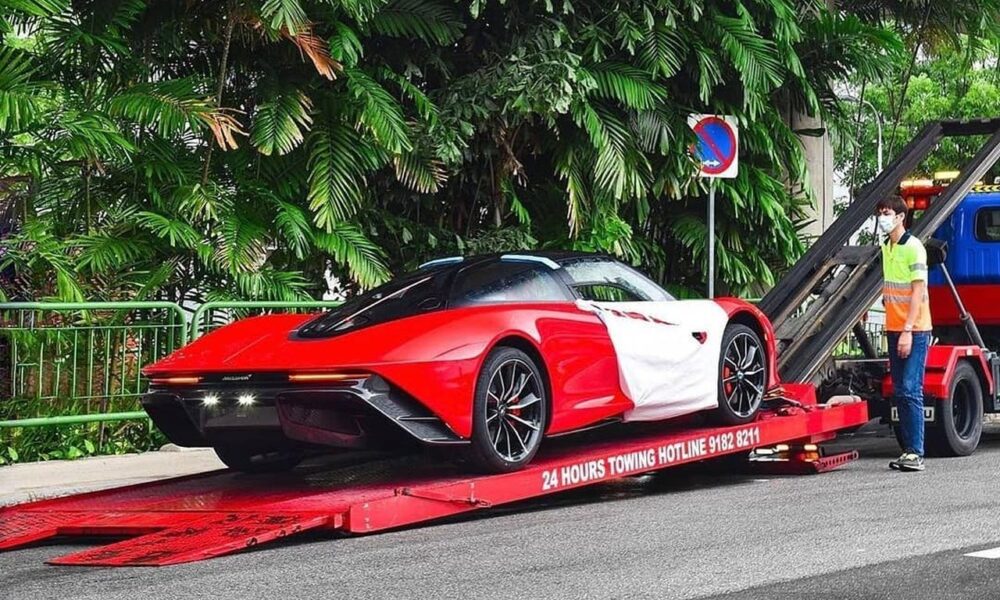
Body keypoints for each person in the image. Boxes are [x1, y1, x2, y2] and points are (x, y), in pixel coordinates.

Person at [876, 195, 932, 472]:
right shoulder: (886, 247)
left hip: (915, 329)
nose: (882, 218)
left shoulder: (915, 248)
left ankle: (916, 452)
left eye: (887, 213)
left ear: (900, 217)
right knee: (900, 391)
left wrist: (908, 330)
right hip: (894, 328)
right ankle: (908, 451)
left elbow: (918, 291)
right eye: (881, 213)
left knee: (911, 389)